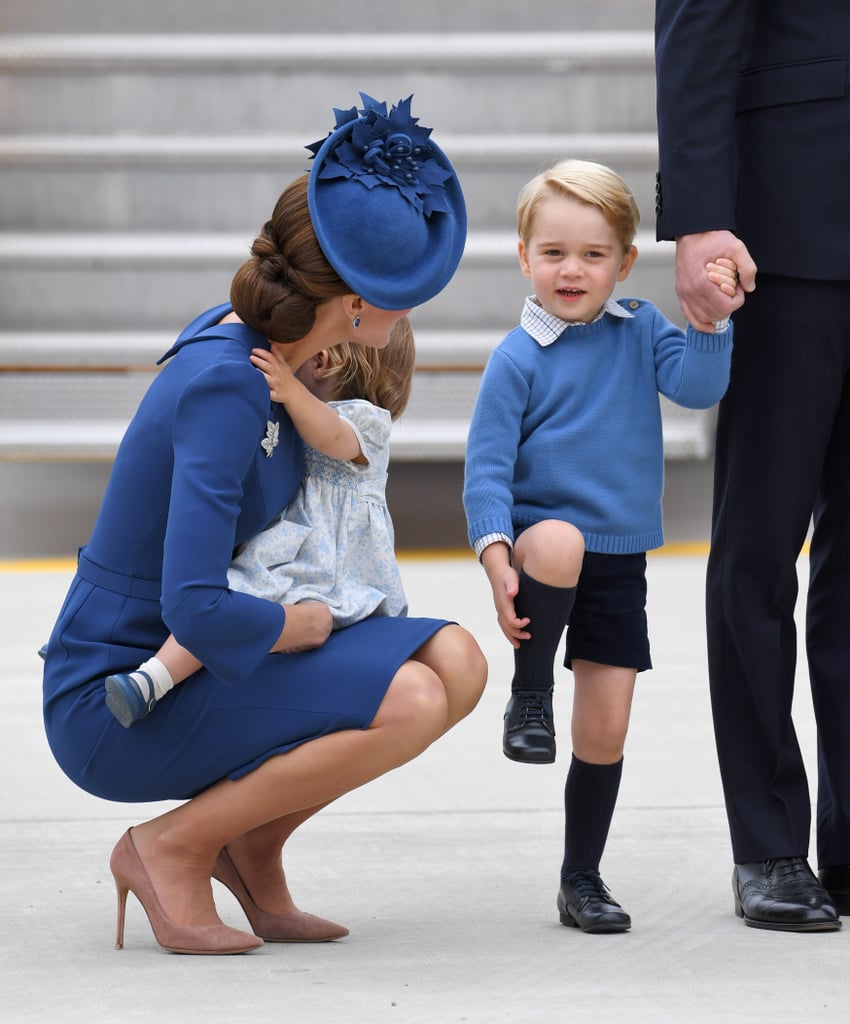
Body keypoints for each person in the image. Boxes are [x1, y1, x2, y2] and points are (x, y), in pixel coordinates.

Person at [40, 93, 486, 955]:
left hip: (217, 660)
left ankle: (253, 841)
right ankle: (169, 847)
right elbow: (195, 607)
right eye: (407, 293)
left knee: (458, 665)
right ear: (355, 304)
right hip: (124, 691)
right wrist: (302, 623)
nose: (413, 312)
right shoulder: (229, 384)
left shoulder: (273, 355)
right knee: (411, 695)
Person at [462, 158, 734, 933]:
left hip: (621, 560)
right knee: (557, 537)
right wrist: (493, 559)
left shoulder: (641, 328)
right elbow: (485, 475)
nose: (571, 270)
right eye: (552, 253)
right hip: (541, 557)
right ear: (524, 259)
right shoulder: (517, 358)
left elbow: (697, 389)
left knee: (608, 727)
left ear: (623, 260)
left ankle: (581, 876)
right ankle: (530, 691)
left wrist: (710, 320)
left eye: (592, 254)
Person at [655, 1, 850, 932]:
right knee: (761, 548)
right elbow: (698, 21)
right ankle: (769, 845)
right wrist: (698, 220)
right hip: (785, 224)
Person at [103, 317, 416, 728]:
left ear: (321, 362)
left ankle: (155, 678)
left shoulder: (366, 420)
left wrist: (289, 390)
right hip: (297, 551)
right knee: (228, 595)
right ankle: (137, 667)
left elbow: (332, 437)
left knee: (236, 601)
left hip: (329, 563)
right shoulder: (301, 413)